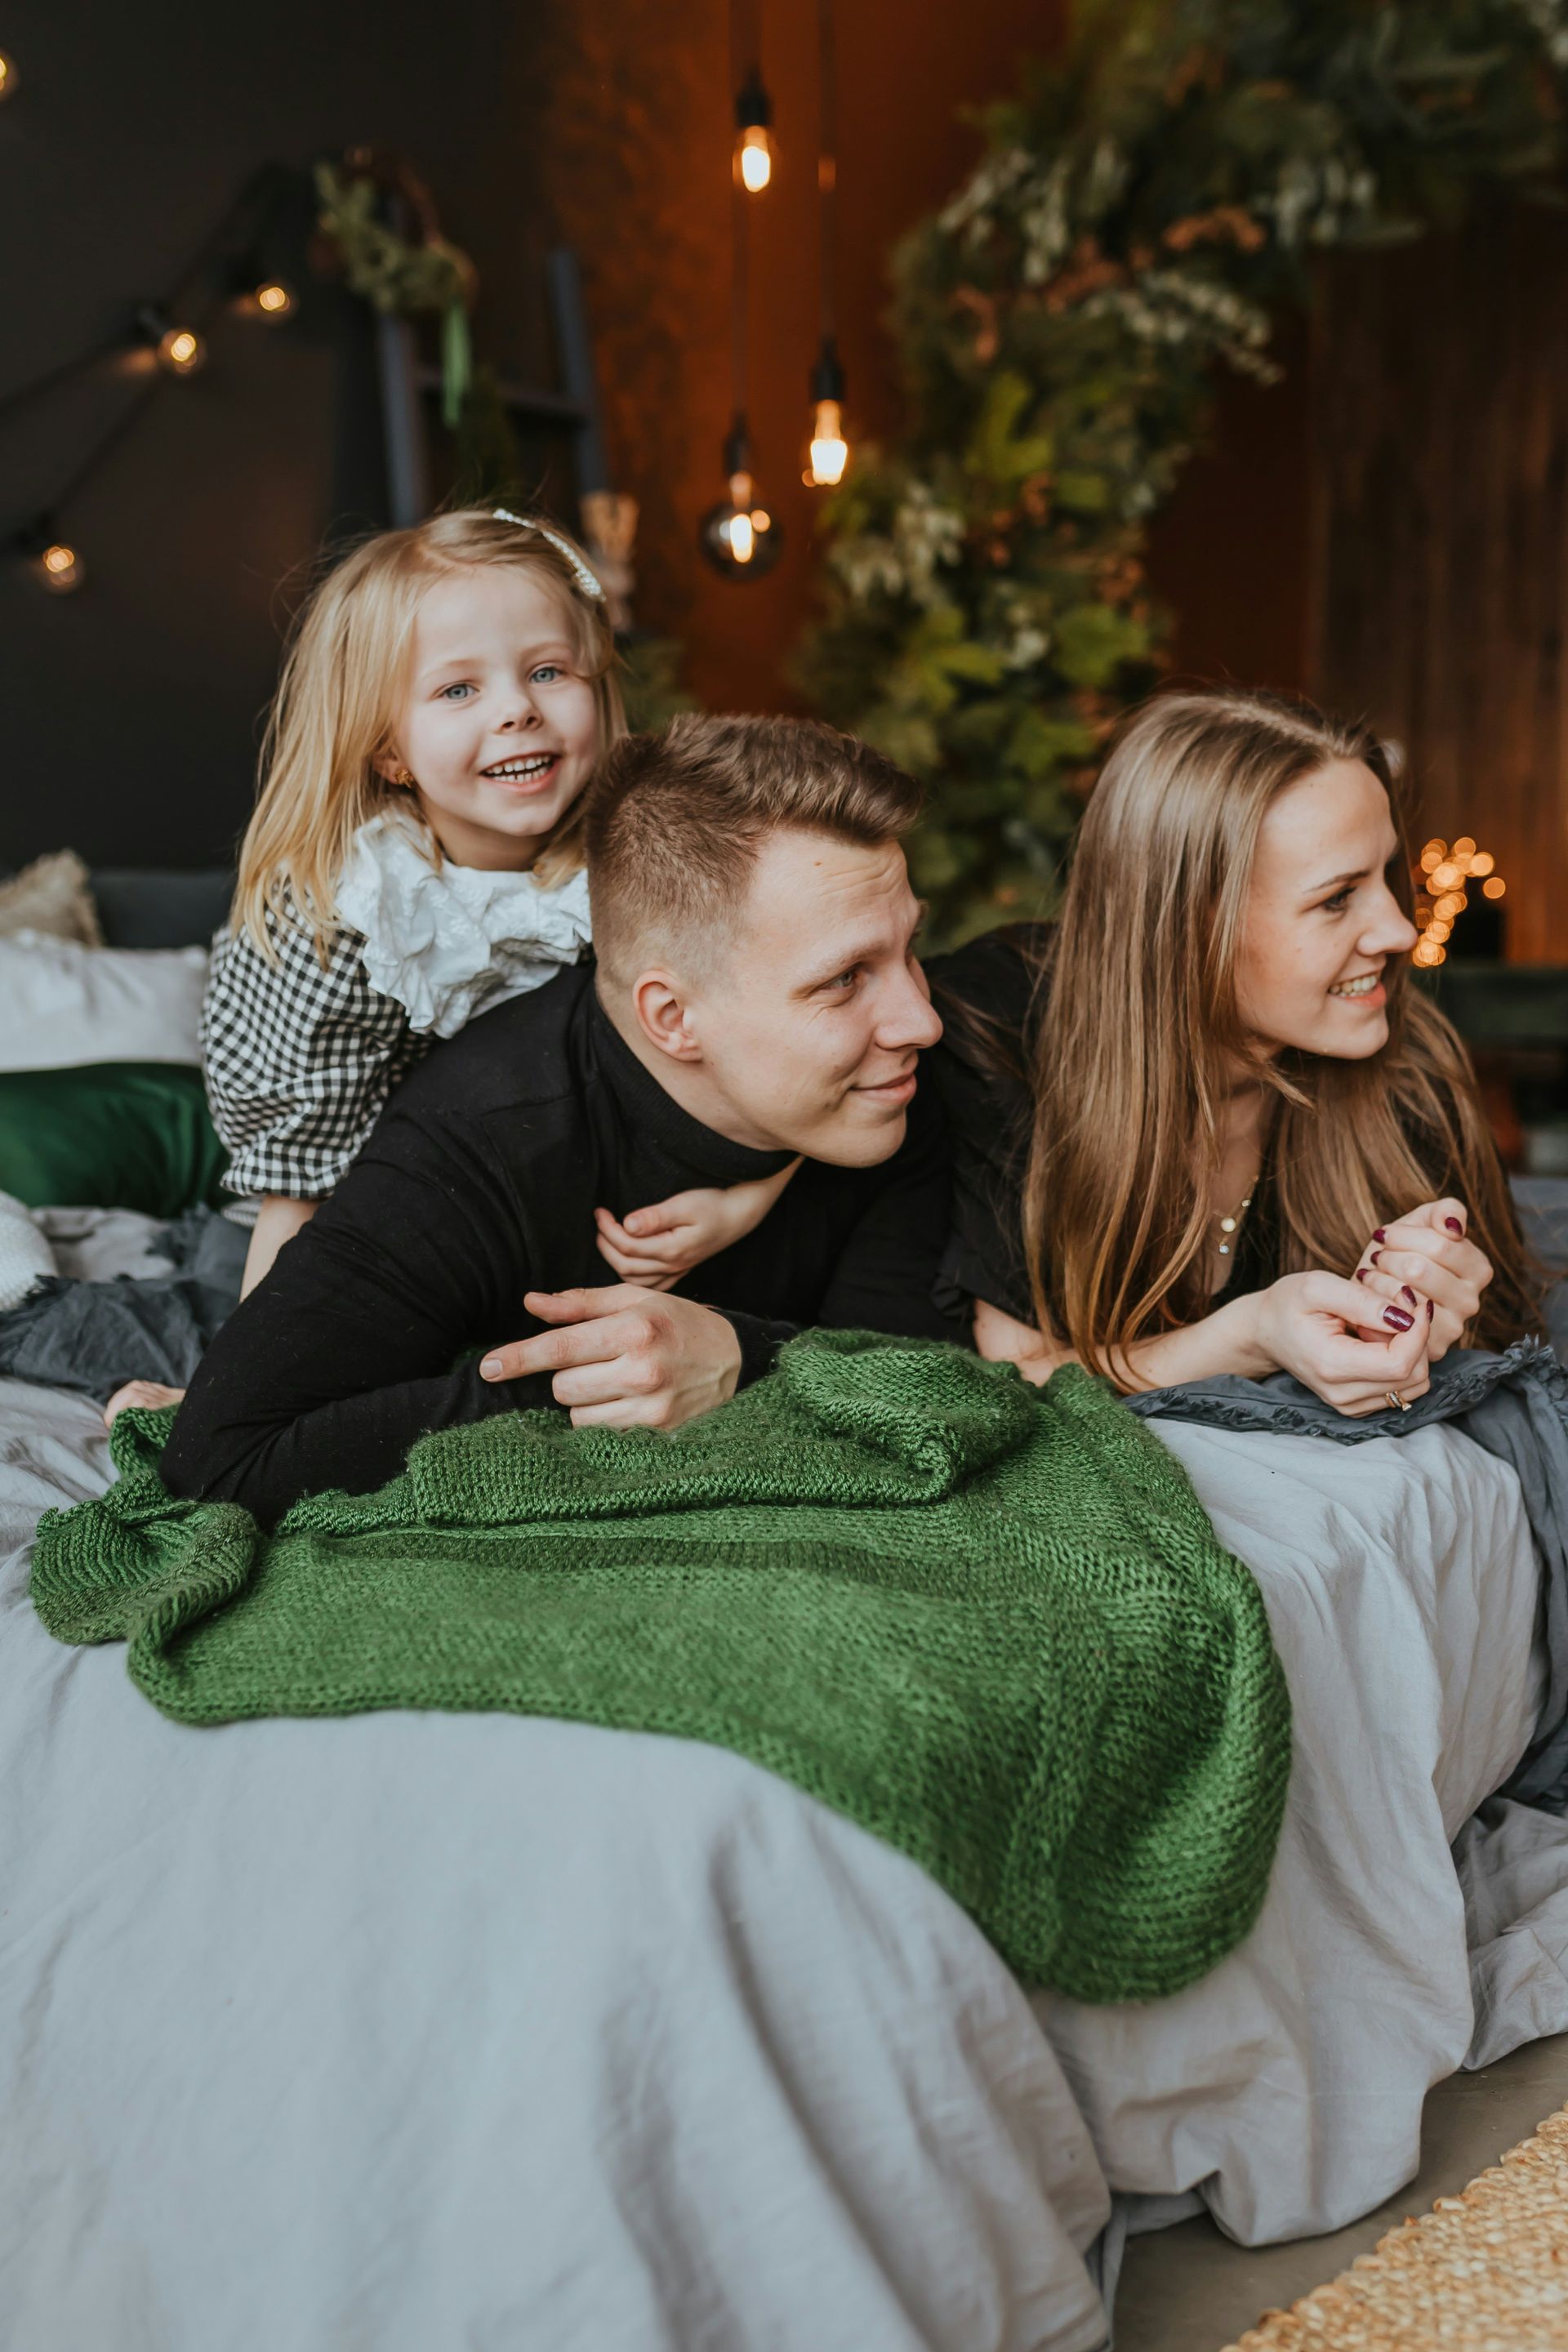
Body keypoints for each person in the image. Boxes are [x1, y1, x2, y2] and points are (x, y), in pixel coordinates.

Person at [158, 715, 951, 1526]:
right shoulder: (480, 1144)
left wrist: (738, 1359)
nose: (920, 1020)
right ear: (673, 1018)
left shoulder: (900, 1091)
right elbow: (218, 1462)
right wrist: (589, 1381)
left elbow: (918, 1379)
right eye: (845, 980)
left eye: (907, 951)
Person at [105, 509, 793, 1425]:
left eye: (548, 671)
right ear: (389, 748)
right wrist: (235, 1393)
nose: (517, 708)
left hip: (592, 1233)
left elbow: (792, 1055)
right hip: (379, 1240)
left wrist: (743, 1203)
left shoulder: (648, 870)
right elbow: (299, 1201)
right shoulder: (356, 921)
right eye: (458, 690)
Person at [927, 686, 1540, 1406]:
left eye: (1387, 875)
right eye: (1337, 897)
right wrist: (1249, 1338)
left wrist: (1433, 1336)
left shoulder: (1413, 1071)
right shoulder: (1001, 1034)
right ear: (1189, 928)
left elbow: (1513, 1365)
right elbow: (1009, 1383)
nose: (1401, 932)